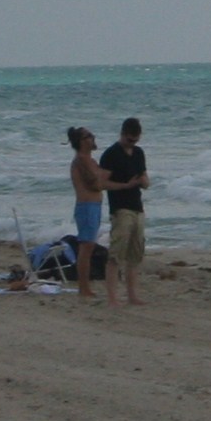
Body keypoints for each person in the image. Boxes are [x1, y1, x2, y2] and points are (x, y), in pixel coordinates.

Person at [98, 118, 151, 308]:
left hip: (137, 206)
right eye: (129, 140)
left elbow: (145, 178)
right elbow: (101, 182)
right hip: (120, 207)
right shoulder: (111, 154)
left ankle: (131, 295)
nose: (132, 143)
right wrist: (125, 185)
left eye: (135, 140)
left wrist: (143, 182)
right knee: (116, 254)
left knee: (135, 253)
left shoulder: (138, 153)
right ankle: (112, 298)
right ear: (122, 134)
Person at [65, 127, 109, 300]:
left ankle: (85, 287)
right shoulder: (81, 161)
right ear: (81, 141)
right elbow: (95, 183)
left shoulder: (91, 161)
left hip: (95, 205)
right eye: (88, 136)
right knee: (86, 246)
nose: (92, 138)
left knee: (89, 246)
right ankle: (83, 288)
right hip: (86, 205)